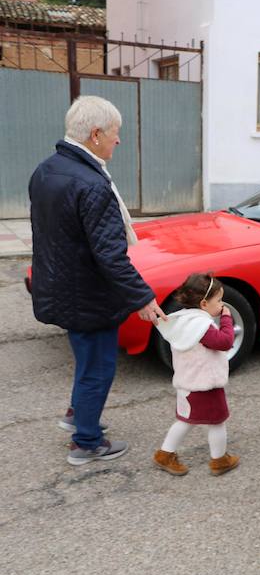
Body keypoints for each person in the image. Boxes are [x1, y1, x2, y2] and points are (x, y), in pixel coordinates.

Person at [29, 95, 166, 466]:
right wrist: (143, 298)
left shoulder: (46, 170)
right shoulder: (93, 185)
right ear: (95, 134)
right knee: (99, 369)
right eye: (115, 133)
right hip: (87, 297)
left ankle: (77, 414)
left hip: (59, 287)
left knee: (86, 361)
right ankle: (87, 442)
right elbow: (109, 254)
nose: (117, 140)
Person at [153, 273, 240, 477]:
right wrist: (226, 318)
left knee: (185, 420)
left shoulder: (184, 321)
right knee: (217, 421)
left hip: (187, 384)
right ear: (203, 303)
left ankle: (164, 454)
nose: (221, 305)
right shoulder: (202, 327)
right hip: (205, 385)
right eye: (218, 300)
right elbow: (225, 341)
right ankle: (220, 460)